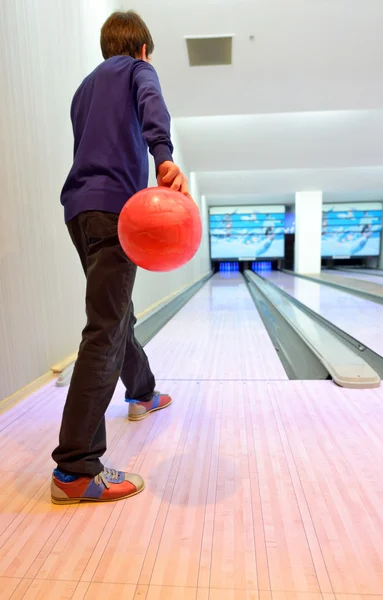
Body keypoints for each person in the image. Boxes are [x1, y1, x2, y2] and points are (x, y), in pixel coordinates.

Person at [51, 11, 189, 505]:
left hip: (78, 212)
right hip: (114, 211)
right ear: (143, 48)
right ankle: (76, 468)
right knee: (106, 328)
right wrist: (165, 156)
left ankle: (142, 392)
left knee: (117, 315)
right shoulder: (138, 69)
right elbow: (153, 106)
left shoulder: (83, 90)